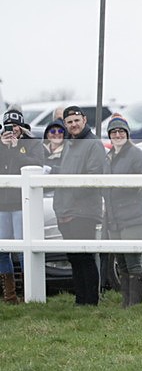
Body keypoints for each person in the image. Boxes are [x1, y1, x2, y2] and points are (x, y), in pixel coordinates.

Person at [53, 106, 106, 306]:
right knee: (74, 257)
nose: (74, 125)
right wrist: (61, 206)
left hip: (83, 212)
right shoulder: (69, 143)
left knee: (84, 257)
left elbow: (93, 178)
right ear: (65, 124)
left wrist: (71, 201)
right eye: (69, 122)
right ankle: (80, 299)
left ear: (84, 120)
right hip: (65, 211)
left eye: (77, 120)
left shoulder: (93, 144)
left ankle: (90, 301)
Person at [103, 114, 142, 308]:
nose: (117, 134)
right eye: (113, 132)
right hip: (114, 217)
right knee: (122, 262)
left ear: (127, 133)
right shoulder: (108, 156)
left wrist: (125, 187)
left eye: (121, 131)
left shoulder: (137, 154)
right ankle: (126, 303)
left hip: (135, 216)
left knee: (134, 262)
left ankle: (135, 305)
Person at [0, 108, 44, 304]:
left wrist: (16, 149)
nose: (13, 130)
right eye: (9, 126)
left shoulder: (32, 143)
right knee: (2, 250)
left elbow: (37, 166)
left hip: (22, 203)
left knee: (23, 249)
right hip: (2, 205)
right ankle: (10, 295)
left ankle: (29, 293)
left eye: (16, 126)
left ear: (22, 126)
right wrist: (3, 147)